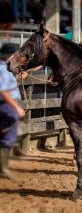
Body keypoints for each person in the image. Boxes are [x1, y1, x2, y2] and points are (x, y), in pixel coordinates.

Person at [0, 43, 25, 179]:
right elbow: (3, 91)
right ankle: (3, 169)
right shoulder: (2, 69)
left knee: (7, 136)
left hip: (7, 105)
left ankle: (3, 167)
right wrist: (16, 107)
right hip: (6, 105)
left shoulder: (6, 68)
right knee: (8, 137)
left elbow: (8, 85)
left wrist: (22, 77)